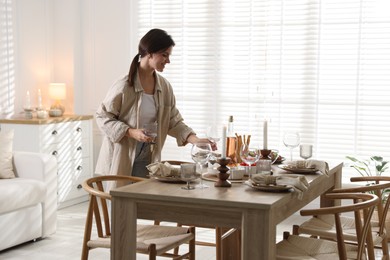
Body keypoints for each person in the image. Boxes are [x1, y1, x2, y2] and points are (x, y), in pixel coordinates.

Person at [95, 28, 215, 182]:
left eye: (169, 55)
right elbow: (102, 117)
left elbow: (173, 121)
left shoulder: (164, 87)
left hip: (149, 156)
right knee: (122, 204)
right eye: (164, 55)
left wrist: (197, 141)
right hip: (121, 157)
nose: (168, 60)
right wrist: (131, 132)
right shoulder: (124, 86)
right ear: (150, 53)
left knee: (145, 201)